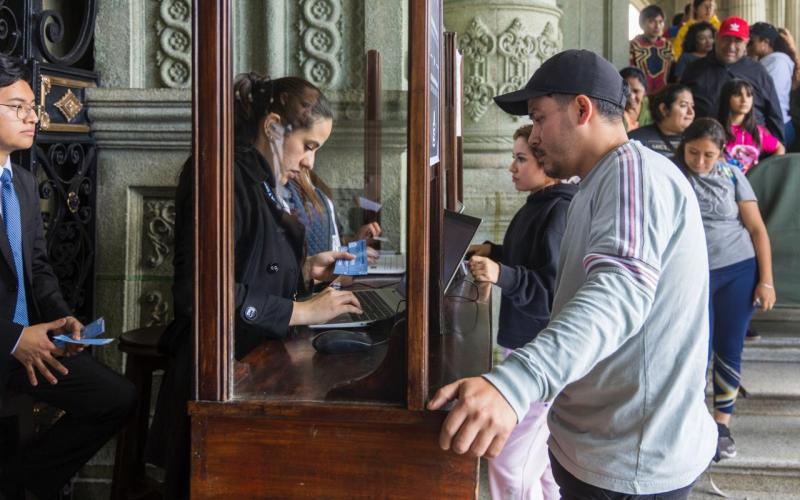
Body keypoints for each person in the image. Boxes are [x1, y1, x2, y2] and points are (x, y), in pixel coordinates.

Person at [428, 49, 716, 498]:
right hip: (603, 447)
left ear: (582, 109)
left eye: (539, 118)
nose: (534, 136)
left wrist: (516, 382)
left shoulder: (632, 175)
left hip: (630, 461)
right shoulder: (597, 182)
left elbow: (617, 294)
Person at [147, 74, 363, 499]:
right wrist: (302, 311)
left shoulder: (261, 177)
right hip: (218, 368)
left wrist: (306, 270)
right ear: (273, 127)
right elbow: (199, 292)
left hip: (250, 358)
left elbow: (250, 264)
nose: (309, 162)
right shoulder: (221, 174)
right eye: (308, 146)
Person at [0, 55, 136, 499]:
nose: (32, 117)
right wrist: (14, 339)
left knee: (117, 398)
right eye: (17, 107)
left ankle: (19, 482)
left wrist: (61, 320)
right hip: (8, 343)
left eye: (33, 107)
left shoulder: (22, 182)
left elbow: (39, 268)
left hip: (29, 347)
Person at [467, 124, 576, 500]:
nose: (512, 167)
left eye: (521, 159)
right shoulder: (540, 203)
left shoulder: (558, 210)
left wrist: (501, 273)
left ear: (546, 161)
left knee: (507, 461)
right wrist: (494, 253)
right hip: (528, 349)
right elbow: (529, 259)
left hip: (541, 356)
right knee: (542, 464)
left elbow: (550, 292)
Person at [674, 117, 775, 459]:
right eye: (693, 152)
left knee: (729, 347)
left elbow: (757, 229)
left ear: (721, 153)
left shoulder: (732, 176)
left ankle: (721, 426)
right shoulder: (673, 174)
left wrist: (766, 280)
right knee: (694, 350)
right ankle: (692, 419)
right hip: (692, 275)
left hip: (737, 270)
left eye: (709, 155)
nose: (700, 161)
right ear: (683, 147)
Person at [681, 16, 786, 143]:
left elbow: (774, 114)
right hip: (705, 145)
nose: (731, 46)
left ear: (746, 42)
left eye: (738, 41)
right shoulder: (695, 69)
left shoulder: (758, 71)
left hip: (751, 148)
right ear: (717, 37)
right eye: (726, 39)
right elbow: (681, 109)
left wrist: (779, 149)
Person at [285, 167, 381, 259]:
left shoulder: (316, 183)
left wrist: (356, 241)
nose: (309, 162)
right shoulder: (288, 186)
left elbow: (335, 241)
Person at [717, 78, 785, 173]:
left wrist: (766, 171)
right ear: (727, 98)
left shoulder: (758, 132)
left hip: (752, 181)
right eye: (738, 95)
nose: (744, 100)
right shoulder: (716, 130)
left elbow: (780, 148)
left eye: (749, 95)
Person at [748, 22, 798, 148]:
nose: (748, 45)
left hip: (777, 124)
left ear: (766, 42)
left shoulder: (777, 62)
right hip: (774, 123)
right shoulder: (769, 61)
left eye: (752, 41)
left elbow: (768, 96)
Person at [629, 83, 695, 158]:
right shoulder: (637, 141)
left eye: (692, 106)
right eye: (683, 105)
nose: (691, 112)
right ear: (664, 109)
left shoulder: (697, 141)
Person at [629, 5, 673, 93]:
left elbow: (672, 71)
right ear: (642, 24)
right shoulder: (634, 45)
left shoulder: (667, 45)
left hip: (664, 93)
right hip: (641, 93)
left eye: (660, 22)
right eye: (651, 22)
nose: (657, 26)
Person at [619, 66, 648, 131]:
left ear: (645, 92)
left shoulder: (652, 108)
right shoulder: (613, 113)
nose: (631, 96)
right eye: (626, 91)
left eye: (636, 91)